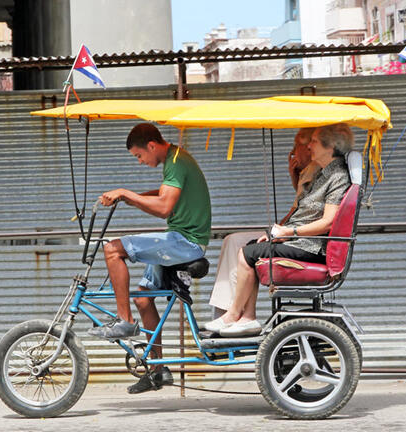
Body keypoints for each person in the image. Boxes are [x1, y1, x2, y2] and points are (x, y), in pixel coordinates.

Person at [88, 122, 211, 394]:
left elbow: (165, 207)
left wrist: (126, 193)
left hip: (185, 243)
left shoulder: (177, 162)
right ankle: (157, 372)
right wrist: (129, 199)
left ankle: (124, 321)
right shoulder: (174, 160)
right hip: (179, 239)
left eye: (139, 156)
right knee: (143, 299)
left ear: (152, 146)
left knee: (112, 249)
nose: (140, 162)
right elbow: (166, 194)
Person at [204, 123, 353, 337]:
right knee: (252, 248)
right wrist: (279, 232)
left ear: (330, 147)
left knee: (247, 254)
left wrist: (287, 234)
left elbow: (329, 222)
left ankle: (237, 315)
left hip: (311, 247)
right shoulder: (323, 173)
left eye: (314, 141)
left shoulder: (337, 175)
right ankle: (245, 318)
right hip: (302, 242)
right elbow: (306, 212)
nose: (309, 145)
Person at [209, 128, 320, 314]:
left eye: (295, 147)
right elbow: (300, 209)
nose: (291, 153)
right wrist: (295, 178)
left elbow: (302, 215)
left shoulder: (315, 171)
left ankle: (232, 313)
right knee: (233, 240)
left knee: (239, 244)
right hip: (293, 234)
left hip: (301, 240)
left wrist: (281, 232)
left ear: (309, 148)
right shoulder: (308, 173)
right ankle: (228, 311)